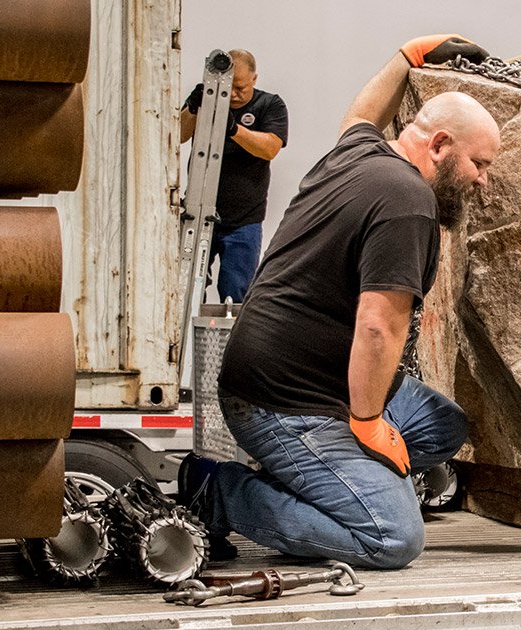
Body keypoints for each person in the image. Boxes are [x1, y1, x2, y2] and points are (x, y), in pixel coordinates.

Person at [192, 36, 499, 568]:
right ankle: (218, 492)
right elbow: (379, 326)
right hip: (282, 402)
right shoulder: (410, 203)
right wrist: (367, 421)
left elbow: (362, 113)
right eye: (479, 163)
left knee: (442, 426)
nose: (483, 180)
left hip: (305, 374)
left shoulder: (360, 154)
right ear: (441, 145)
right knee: (394, 538)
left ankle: (317, 477)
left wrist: (410, 54)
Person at [180, 48, 288, 303]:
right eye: (232, 87)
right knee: (187, 290)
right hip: (197, 214)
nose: (236, 95)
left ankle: (231, 342)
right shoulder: (208, 96)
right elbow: (179, 134)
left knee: (236, 292)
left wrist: (233, 129)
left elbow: (270, 148)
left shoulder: (269, 104)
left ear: (254, 79)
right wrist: (194, 109)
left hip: (243, 221)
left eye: (241, 87)